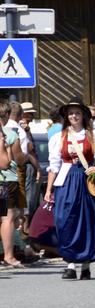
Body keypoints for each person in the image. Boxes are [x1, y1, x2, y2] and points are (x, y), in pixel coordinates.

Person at [44, 97, 95, 279]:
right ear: (66, 116)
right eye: (71, 113)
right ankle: (70, 263)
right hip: (66, 181)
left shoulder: (94, 134)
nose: (74, 116)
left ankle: (85, 265)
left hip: (87, 181)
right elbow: (54, 165)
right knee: (65, 221)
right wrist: (48, 190)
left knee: (87, 221)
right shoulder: (59, 136)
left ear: (83, 115)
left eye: (77, 113)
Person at [0, 102, 26, 268]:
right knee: (8, 218)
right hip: (7, 180)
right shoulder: (9, 134)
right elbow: (19, 159)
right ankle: (9, 255)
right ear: (6, 115)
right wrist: (26, 157)